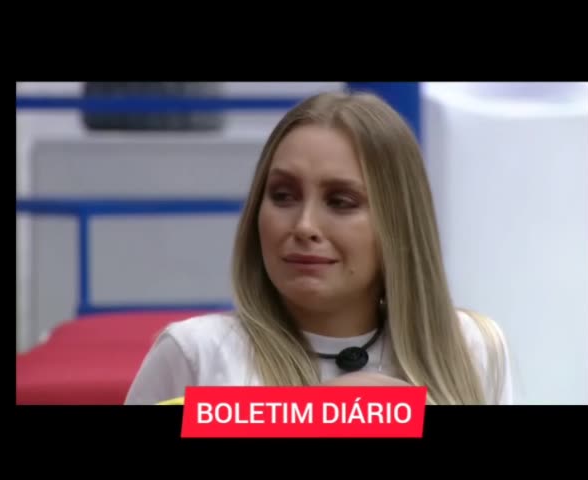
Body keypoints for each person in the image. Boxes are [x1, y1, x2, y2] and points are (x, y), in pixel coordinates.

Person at [124, 90, 513, 406]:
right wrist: (314, 415)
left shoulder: (471, 347)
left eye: (341, 201)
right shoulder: (196, 352)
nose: (305, 226)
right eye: (283, 195)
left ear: (398, 224)